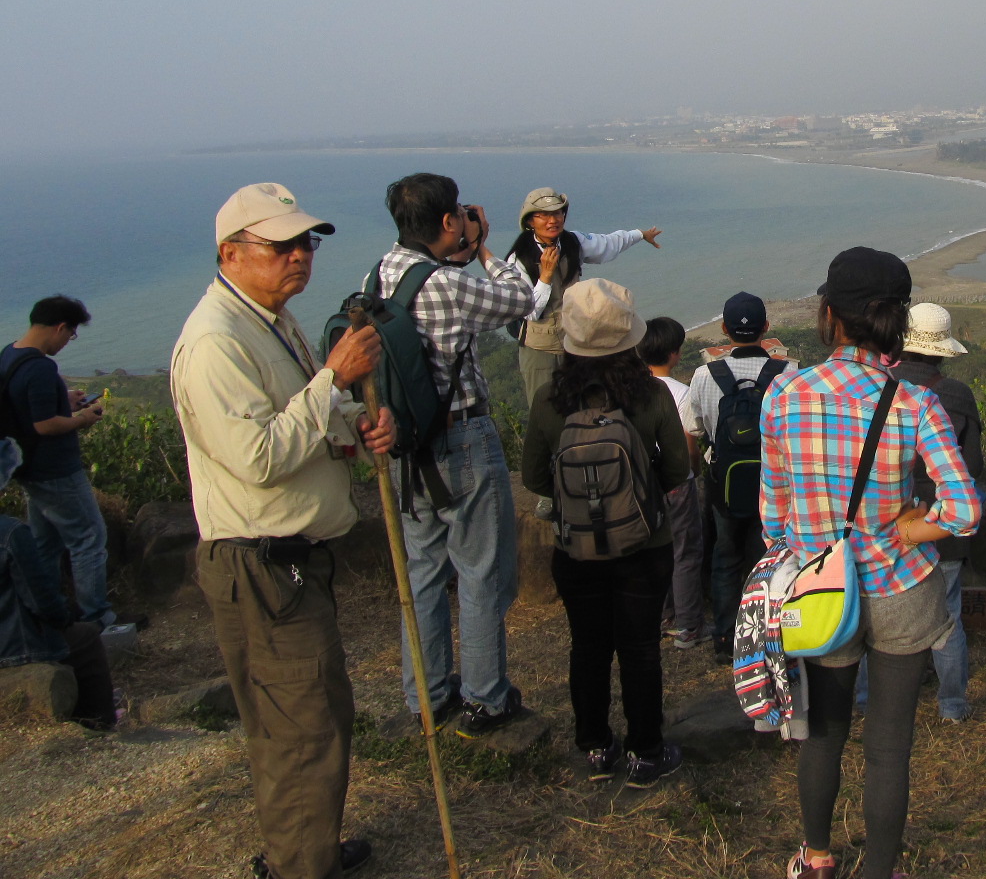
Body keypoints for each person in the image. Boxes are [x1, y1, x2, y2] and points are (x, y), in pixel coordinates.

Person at [171, 182, 394, 879]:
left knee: (314, 715)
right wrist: (333, 380)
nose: (301, 257)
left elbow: (292, 420)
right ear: (230, 253)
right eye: (282, 246)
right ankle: (301, 865)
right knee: (302, 729)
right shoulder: (214, 342)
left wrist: (352, 429)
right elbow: (258, 457)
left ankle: (308, 850)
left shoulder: (269, 318)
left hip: (291, 562)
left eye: (306, 243)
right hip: (260, 564)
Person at [760, 247, 981, 879]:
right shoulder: (915, 404)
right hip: (900, 587)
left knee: (823, 731)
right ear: (894, 323)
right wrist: (912, 526)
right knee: (889, 745)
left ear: (830, 315)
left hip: (821, 590)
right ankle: (882, 869)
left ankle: (818, 856)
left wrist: (804, 547)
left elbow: (773, 517)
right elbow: (964, 510)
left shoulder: (785, 395)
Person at [375, 173, 535, 737]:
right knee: (481, 572)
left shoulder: (381, 274)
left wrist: (459, 253)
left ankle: (426, 695)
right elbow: (523, 298)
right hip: (461, 440)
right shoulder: (447, 285)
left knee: (421, 572)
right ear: (448, 222)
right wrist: (488, 247)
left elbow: (433, 296)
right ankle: (486, 700)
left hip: (405, 446)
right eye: (459, 216)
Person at [521, 279, 691, 788]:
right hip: (645, 545)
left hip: (574, 547)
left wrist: (579, 500)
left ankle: (595, 746)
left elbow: (532, 476)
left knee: (587, 646)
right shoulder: (652, 393)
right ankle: (646, 751)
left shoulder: (551, 400)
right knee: (640, 647)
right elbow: (679, 471)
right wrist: (639, 499)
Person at [1, 296, 128, 630]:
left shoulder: (10, 355)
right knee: (89, 538)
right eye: (70, 335)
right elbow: (45, 425)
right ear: (60, 327)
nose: (67, 342)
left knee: (45, 544)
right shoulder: (42, 367)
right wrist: (82, 418)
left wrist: (64, 399)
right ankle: (97, 617)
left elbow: (26, 406)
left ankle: (48, 612)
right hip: (56, 470)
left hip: (28, 469)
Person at [684, 291, 796, 661]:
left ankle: (725, 638)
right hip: (775, 482)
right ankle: (768, 633)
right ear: (766, 328)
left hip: (724, 483)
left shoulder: (703, 375)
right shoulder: (790, 372)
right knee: (771, 556)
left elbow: (693, 430)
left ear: (723, 330)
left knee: (725, 555)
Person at [886, 301, 983, 722]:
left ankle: (873, 701)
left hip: (891, 519)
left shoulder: (880, 387)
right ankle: (952, 705)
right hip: (942, 522)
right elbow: (973, 466)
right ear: (942, 350)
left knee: (881, 613)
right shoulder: (956, 395)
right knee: (948, 618)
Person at [0, 436, 117, 730]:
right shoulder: (11, 534)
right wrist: (65, 616)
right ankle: (99, 721)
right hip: (15, 648)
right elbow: (43, 603)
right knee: (86, 638)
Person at [507, 187, 663, 401]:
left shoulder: (572, 243)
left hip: (576, 341)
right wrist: (544, 278)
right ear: (529, 221)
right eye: (543, 215)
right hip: (540, 348)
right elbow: (529, 313)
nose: (552, 220)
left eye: (557, 213)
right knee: (543, 404)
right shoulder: (519, 259)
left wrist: (640, 235)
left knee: (584, 402)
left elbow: (607, 244)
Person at [638, 316, 707, 648]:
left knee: (653, 549)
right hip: (676, 482)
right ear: (675, 353)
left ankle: (660, 616)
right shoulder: (681, 393)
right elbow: (688, 446)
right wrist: (696, 472)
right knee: (685, 551)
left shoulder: (632, 390)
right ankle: (688, 624)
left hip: (642, 483)